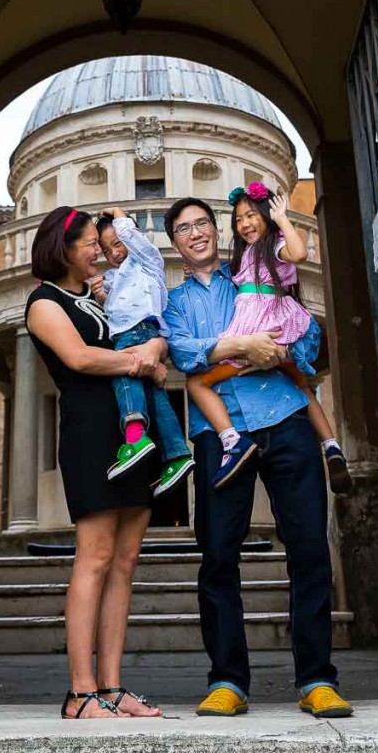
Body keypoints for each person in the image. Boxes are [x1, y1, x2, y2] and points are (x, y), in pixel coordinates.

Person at [163, 197, 353, 720]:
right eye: (183, 228)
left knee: (310, 548)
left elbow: (308, 332)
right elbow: (183, 352)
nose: (196, 233)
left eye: (203, 223)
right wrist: (242, 342)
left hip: (287, 417)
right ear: (174, 242)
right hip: (219, 433)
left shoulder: (257, 267)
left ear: (217, 231)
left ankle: (317, 678)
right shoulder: (175, 302)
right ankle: (227, 680)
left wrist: (284, 351)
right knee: (219, 556)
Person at [26, 206, 164, 721]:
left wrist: (151, 345)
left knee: (125, 562)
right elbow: (81, 359)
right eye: (87, 242)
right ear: (61, 248)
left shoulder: (98, 297)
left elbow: (147, 331)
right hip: (89, 434)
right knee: (96, 556)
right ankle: (79, 693)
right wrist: (139, 361)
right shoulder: (43, 302)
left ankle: (112, 685)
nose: (97, 250)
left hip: (131, 431)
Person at [186, 182, 352, 494]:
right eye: (239, 219)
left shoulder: (273, 244)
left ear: (265, 214)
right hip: (270, 324)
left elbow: (300, 252)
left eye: (251, 215)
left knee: (198, 382)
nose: (245, 223)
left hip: (260, 328)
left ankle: (231, 440)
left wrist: (282, 218)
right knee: (301, 385)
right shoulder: (249, 253)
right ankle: (331, 445)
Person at [92, 207, 195, 496]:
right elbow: (113, 304)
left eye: (118, 243)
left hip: (137, 331)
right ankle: (177, 453)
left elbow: (131, 238)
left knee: (123, 375)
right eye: (106, 249)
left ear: (132, 235)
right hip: (133, 330)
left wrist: (118, 214)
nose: (114, 253)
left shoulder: (147, 259)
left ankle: (135, 437)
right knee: (155, 396)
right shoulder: (116, 275)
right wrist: (102, 296)